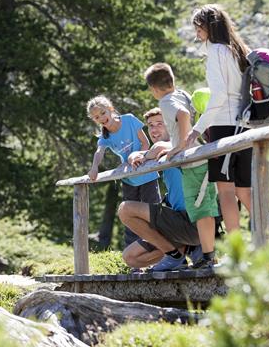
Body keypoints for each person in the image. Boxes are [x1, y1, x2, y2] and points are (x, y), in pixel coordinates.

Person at [139, 63, 218, 269]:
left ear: (154, 89)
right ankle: (209, 255)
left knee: (200, 210)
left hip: (192, 163)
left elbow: (182, 114)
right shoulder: (181, 93)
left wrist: (180, 146)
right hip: (203, 158)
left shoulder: (166, 101)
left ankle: (208, 257)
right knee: (206, 208)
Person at [186, 4, 252, 234]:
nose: (197, 34)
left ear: (208, 26)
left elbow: (220, 95)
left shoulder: (216, 51)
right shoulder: (238, 49)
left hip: (223, 125)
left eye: (198, 28)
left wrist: (197, 129)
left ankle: (236, 252)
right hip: (245, 125)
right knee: (245, 191)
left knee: (225, 191)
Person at [121, 108, 202, 270]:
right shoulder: (158, 152)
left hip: (195, 220)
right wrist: (133, 156)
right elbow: (139, 153)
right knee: (131, 258)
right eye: (150, 125)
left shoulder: (181, 143)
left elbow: (158, 148)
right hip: (176, 221)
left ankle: (176, 253)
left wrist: (142, 157)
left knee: (125, 209)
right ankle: (181, 251)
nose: (154, 129)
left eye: (160, 124)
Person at [86, 95, 161, 248]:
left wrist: (138, 158)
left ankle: (161, 252)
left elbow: (145, 143)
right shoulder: (105, 137)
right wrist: (94, 167)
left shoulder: (129, 120)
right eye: (96, 117)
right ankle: (133, 257)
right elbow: (99, 152)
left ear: (110, 109)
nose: (101, 118)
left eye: (102, 113)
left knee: (154, 215)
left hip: (147, 175)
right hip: (129, 180)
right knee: (130, 219)